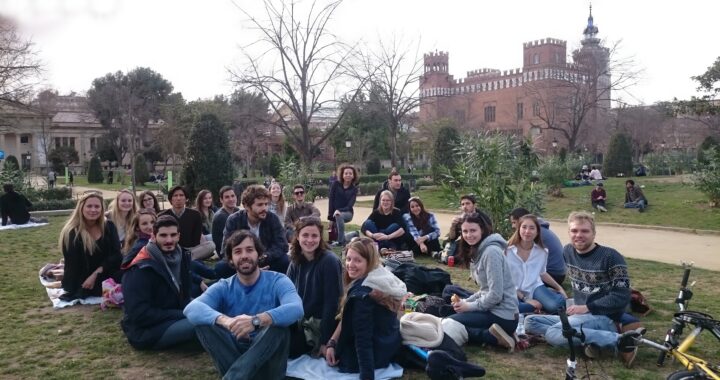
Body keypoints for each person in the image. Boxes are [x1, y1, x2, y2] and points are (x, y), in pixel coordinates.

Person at [524, 211, 643, 368]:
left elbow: (622, 296)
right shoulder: (568, 251)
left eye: (584, 231)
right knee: (530, 322)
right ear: (569, 233)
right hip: (581, 315)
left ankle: (621, 341)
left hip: (604, 316)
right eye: (574, 231)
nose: (578, 235)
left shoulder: (610, 257)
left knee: (553, 334)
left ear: (594, 233)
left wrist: (587, 307)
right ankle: (594, 341)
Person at [183, 230, 303, 379]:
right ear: (231, 259)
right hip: (235, 352)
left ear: (259, 255)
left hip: (270, 359)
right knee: (204, 325)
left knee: (277, 328)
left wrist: (256, 321)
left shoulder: (278, 280)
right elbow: (191, 308)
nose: (244, 255)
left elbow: (296, 308)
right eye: (238, 251)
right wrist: (227, 321)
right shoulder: (224, 286)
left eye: (250, 250)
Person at [324, 237, 405, 379]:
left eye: (357, 260)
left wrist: (367, 375)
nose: (350, 265)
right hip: (389, 345)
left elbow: (363, 339)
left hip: (374, 353)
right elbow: (346, 317)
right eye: (348, 259)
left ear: (369, 262)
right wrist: (332, 342)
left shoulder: (363, 296)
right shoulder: (380, 275)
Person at [121, 215, 197, 350]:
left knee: (215, 311)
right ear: (154, 236)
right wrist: (183, 313)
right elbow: (139, 314)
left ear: (179, 236)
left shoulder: (181, 256)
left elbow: (184, 295)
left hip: (174, 316)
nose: (169, 240)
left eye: (173, 235)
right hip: (147, 330)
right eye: (163, 235)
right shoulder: (140, 268)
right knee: (204, 323)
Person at [447, 212, 519, 352]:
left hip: (504, 315)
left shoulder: (491, 252)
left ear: (483, 230)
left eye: (473, 230)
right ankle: (497, 333)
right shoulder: (478, 250)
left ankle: (494, 337)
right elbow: (485, 289)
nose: (469, 235)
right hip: (493, 310)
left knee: (451, 323)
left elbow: (495, 295)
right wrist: (466, 301)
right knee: (450, 317)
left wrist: (470, 307)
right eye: (465, 231)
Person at [286, 217, 342, 358]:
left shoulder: (329, 261)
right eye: (305, 235)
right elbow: (286, 293)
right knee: (273, 335)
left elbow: (331, 304)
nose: (310, 240)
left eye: (314, 236)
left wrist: (325, 341)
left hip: (318, 323)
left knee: (288, 348)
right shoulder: (295, 260)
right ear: (297, 237)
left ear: (320, 238)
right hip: (299, 318)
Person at [58, 192, 122, 301]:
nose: (93, 210)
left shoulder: (109, 226)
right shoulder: (72, 232)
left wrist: (96, 273)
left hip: (106, 270)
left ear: (102, 209)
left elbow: (117, 255)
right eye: (89, 206)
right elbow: (74, 265)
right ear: (81, 208)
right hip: (82, 276)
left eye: (97, 206)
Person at [505, 214, 566, 314]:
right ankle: (532, 306)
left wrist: (559, 288)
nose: (527, 231)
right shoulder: (507, 250)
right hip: (512, 290)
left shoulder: (542, 252)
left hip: (534, 287)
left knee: (558, 305)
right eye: (524, 227)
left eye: (532, 228)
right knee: (509, 309)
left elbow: (542, 273)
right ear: (518, 229)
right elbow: (504, 279)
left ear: (537, 232)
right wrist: (525, 299)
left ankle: (536, 304)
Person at [223, 185, 289, 274]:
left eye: (266, 204)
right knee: (221, 267)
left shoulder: (272, 218)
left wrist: (265, 257)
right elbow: (226, 248)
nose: (264, 208)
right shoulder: (234, 220)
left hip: (266, 260)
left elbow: (282, 245)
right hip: (243, 261)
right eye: (260, 205)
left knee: (285, 261)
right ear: (247, 206)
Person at [509, 207, 566, 285]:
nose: (513, 226)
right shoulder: (539, 228)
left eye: (514, 222)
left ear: (522, 220)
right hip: (559, 272)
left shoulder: (534, 234)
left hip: (553, 274)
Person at [159, 185, 215, 261]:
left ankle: (183, 259)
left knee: (211, 245)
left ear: (186, 199)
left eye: (181, 195)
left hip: (190, 250)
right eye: (175, 196)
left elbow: (196, 240)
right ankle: (185, 259)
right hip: (170, 248)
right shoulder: (162, 216)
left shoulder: (195, 215)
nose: (178, 198)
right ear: (171, 199)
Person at [328, 163, 359, 247]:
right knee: (339, 233)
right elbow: (331, 200)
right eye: (346, 173)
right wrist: (330, 218)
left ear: (353, 176)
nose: (348, 175)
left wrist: (339, 211)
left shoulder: (354, 189)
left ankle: (340, 243)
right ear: (342, 175)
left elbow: (349, 206)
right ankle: (354, 233)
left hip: (347, 212)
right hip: (335, 213)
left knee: (339, 215)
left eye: (350, 173)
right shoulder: (335, 184)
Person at [445, 195, 479, 263]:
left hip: (478, 244)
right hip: (465, 244)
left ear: (474, 205)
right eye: (462, 204)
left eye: (467, 203)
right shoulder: (460, 219)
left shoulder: (481, 217)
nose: (465, 206)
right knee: (449, 255)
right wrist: (453, 226)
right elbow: (452, 237)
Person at [212, 186, 239, 258]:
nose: (231, 199)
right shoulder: (220, 216)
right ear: (221, 200)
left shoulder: (237, 211)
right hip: (226, 253)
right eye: (227, 197)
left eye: (232, 196)